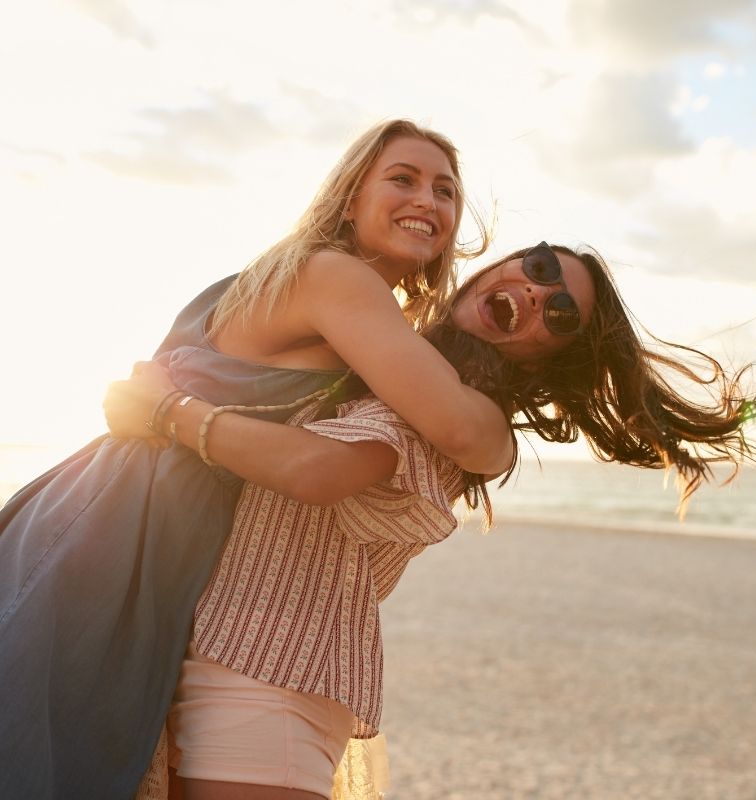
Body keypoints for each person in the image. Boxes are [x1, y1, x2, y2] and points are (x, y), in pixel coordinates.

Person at [108, 242, 756, 800]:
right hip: (210, 655)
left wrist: (169, 413)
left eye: (559, 315)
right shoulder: (382, 353)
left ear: (551, 355)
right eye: (542, 267)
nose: (536, 293)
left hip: (275, 677)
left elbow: (319, 471)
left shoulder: (464, 415)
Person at [0, 119, 516, 800]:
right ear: (350, 194)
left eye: (446, 191)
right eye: (403, 179)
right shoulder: (336, 278)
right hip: (120, 536)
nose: (428, 200)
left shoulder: (323, 289)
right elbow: (460, 428)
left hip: (109, 515)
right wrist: (504, 438)